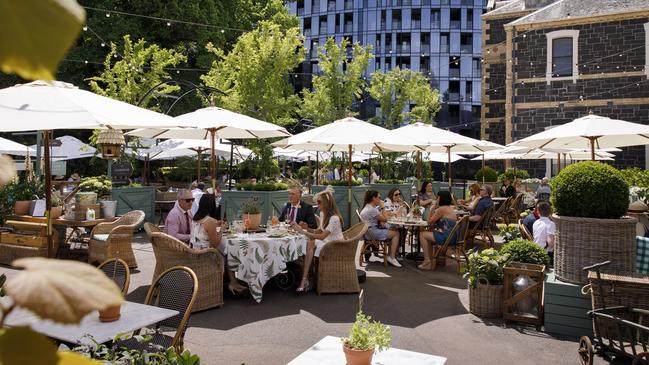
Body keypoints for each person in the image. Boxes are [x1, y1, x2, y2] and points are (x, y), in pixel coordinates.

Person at [190, 194, 248, 295]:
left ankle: (232, 282)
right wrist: (223, 229)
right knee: (229, 252)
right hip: (207, 254)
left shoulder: (195, 218)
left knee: (226, 251)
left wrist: (218, 228)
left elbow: (206, 234)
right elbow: (215, 243)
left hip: (195, 251)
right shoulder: (210, 221)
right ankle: (233, 283)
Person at [291, 188, 344, 292]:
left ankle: (306, 278)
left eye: (319, 202)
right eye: (317, 201)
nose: (317, 204)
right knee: (309, 243)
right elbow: (318, 231)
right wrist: (306, 227)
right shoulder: (323, 214)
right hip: (327, 242)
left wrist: (302, 231)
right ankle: (305, 278)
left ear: (327, 203)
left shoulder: (334, 218)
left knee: (310, 243)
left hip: (335, 246)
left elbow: (322, 236)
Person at [360, 190, 401, 267]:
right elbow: (385, 219)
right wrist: (382, 207)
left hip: (368, 232)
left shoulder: (369, 206)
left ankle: (390, 256)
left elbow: (381, 219)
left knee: (393, 230)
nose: (380, 199)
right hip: (371, 233)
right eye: (379, 197)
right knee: (396, 233)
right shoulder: (372, 209)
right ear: (373, 198)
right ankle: (391, 257)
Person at [418, 191, 458, 270]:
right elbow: (435, 224)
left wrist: (431, 209)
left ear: (441, 198)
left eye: (437, 198)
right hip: (453, 237)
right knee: (427, 234)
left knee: (422, 234)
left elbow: (429, 221)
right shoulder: (449, 208)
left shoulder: (441, 209)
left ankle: (427, 260)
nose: (436, 199)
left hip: (447, 237)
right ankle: (430, 260)